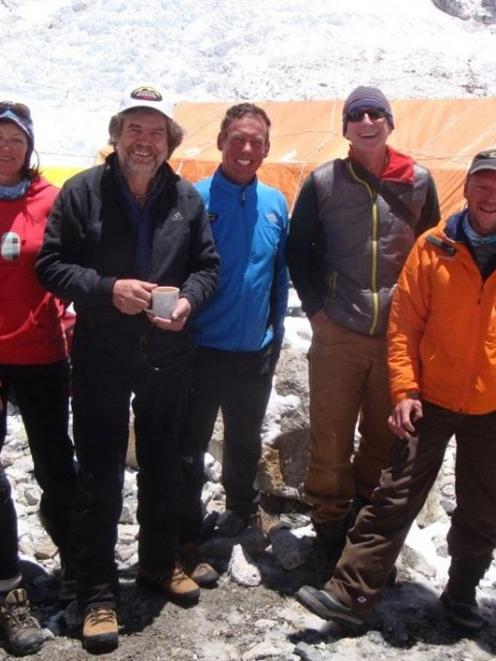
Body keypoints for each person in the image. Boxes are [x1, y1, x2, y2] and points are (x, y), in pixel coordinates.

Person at [35, 84, 219, 653]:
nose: (144, 141)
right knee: (99, 473)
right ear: (115, 135)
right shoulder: (82, 192)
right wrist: (106, 288)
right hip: (102, 356)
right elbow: (51, 265)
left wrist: (188, 299)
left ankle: (158, 564)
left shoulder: (185, 198)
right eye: (135, 129)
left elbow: (207, 268)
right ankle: (96, 593)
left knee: (163, 464)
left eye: (156, 132)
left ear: (169, 143)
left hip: (167, 356)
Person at [296, 149, 496, 631]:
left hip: (491, 402)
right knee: (395, 496)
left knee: (485, 503)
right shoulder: (433, 247)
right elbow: (404, 325)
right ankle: (349, 594)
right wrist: (405, 389)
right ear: (466, 189)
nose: (491, 195)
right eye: (483, 184)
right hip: (430, 396)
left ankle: (462, 594)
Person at [286, 86, 440, 564]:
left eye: (376, 113)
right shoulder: (324, 180)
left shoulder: (418, 180)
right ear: (346, 127)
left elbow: (430, 250)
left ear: (390, 123)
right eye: (357, 115)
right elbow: (299, 250)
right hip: (339, 328)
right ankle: (329, 522)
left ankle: (365, 525)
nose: (367, 121)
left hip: (396, 335)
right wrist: (317, 312)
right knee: (330, 433)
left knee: (382, 437)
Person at [178, 103, 289, 582]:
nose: (247, 149)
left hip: (255, 349)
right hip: (202, 349)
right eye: (238, 139)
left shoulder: (276, 202)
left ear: (266, 147)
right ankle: (184, 528)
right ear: (222, 141)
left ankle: (242, 508)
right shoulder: (193, 198)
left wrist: (276, 331)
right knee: (191, 443)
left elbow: (278, 273)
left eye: (257, 142)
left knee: (245, 438)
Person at [0, 101, 77, 657]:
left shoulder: (51, 200)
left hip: (42, 352)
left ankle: (78, 565)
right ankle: (7, 588)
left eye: (15, 139)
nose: (6, 147)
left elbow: (70, 264)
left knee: (56, 461)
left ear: (30, 146)